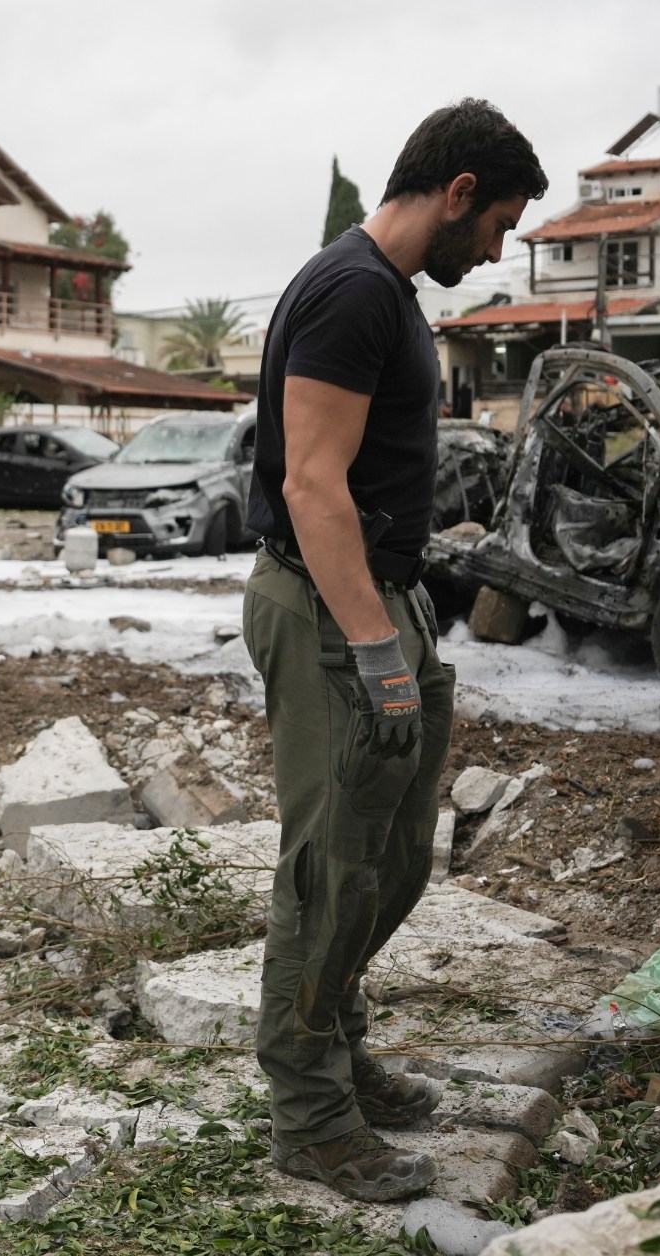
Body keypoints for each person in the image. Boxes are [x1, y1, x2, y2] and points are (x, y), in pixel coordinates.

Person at [243, 98, 545, 1201]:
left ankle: (340, 1053)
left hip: (380, 599)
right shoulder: (351, 293)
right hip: (332, 615)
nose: (497, 248)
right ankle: (311, 1117)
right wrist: (374, 649)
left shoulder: (390, 297)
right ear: (457, 191)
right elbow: (309, 483)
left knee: (393, 862)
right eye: (498, 222)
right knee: (329, 876)